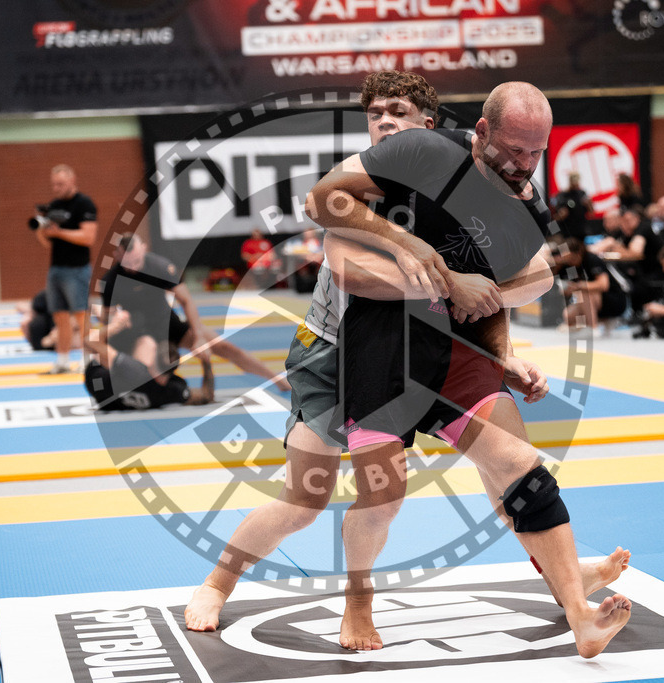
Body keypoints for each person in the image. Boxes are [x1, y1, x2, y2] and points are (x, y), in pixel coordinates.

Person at [185, 72, 629, 639]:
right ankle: (220, 581)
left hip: (425, 349)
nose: (384, 123)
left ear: (429, 126)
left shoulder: (473, 181)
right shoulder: (364, 177)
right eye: (375, 114)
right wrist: (438, 268)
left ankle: (561, 579)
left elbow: (499, 285)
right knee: (305, 500)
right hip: (335, 352)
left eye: (398, 114)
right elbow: (353, 264)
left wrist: (504, 354)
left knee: (506, 467)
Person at [306, 81, 631, 657]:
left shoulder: (525, 205)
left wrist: (502, 353)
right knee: (383, 498)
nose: (525, 165)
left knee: (521, 466)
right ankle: (358, 600)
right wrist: (416, 251)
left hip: (456, 353)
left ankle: (578, 612)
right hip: (382, 348)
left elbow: (490, 300)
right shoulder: (424, 152)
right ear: (481, 133)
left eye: (537, 152)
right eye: (514, 150)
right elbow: (324, 203)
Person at [101, 232, 291, 391]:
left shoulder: (159, 267)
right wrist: (117, 325)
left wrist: (198, 336)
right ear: (117, 255)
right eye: (128, 264)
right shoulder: (110, 280)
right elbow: (105, 318)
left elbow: (186, 300)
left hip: (167, 322)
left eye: (136, 262)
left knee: (225, 347)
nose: (133, 268)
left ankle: (276, 380)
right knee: (144, 375)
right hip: (140, 332)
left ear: (143, 248)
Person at [84, 308, 214, 410]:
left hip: (96, 380)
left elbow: (90, 342)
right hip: (112, 398)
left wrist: (114, 326)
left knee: (145, 339)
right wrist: (206, 362)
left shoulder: (134, 369)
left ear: (152, 359)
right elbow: (206, 395)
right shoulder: (173, 391)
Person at [35, 165, 97, 374]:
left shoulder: (84, 204)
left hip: (77, 269)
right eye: (54, 184)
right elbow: (47, 242)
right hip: (56, 269)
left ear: (72, 180)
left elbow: (88, 237)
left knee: (81, 316)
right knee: (60, 317)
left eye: (60, 184)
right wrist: (42, 231)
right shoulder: (54, 205)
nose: (56, 188)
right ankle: (62, 361)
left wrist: (60, 232)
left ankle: (89, 358)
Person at [555, 238, 628, 332]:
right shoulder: (569, 265)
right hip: (592, 302)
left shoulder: (591, 259)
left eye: (571, 258)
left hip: (614, 299)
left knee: (584, 292)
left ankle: (593, 329)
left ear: (578, 254)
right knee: (568, 315)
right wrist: (568, 289)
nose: (569, 261)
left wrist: (579, 286)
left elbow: (603, 285)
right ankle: (601, 321)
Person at [552, 171, 594, 240]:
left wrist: (589, 204)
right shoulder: (562, 195)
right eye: (573, 179)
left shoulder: (582, 193)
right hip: (567, 232)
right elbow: (556, 217)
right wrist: (562, 214)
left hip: (581, 231)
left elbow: (591, 213)